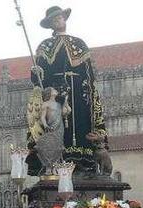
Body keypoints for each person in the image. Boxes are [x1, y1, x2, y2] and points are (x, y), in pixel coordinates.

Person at [27, 6, 106, 174]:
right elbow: (39, 78)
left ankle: (83, 162)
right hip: (56, 94)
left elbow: (89, 75)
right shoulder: (45, 46)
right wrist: (36, 72)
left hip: (79, 95)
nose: (58, 20)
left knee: (80, 124)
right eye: (54, 19)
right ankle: (56, 157)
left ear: (65, 19)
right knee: (58, 125)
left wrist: (90, 93)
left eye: (60, 17)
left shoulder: (79, 44)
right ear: (50, 24)